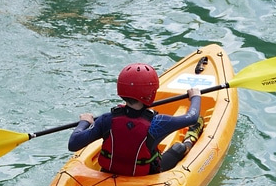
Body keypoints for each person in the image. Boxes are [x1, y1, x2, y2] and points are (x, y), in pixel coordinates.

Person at [68, 62, 205, 176]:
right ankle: (189, 139)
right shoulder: (158, 122)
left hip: (108, 172)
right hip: (145, 177)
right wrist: (195, 96)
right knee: (178, 147)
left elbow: (73, 144)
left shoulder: (106, 120)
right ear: (150, 94)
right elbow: (192, 117)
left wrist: (85, 122)